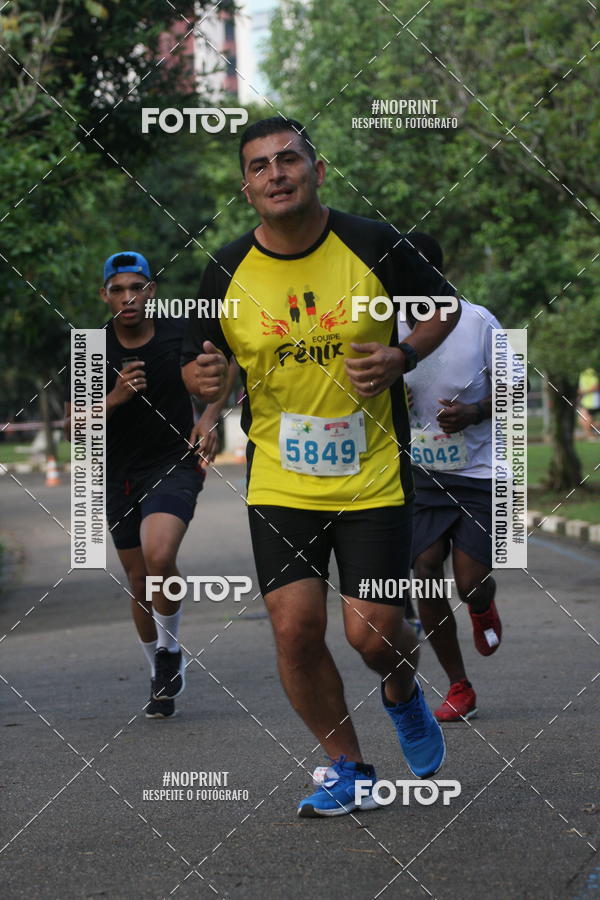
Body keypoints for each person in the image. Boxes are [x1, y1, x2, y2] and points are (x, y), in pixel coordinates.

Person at [182, 117, 460, 817]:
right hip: (280, 478)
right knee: (294, 629)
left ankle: (402, 690)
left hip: (372, 477)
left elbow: (443, 309)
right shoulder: (223, 268)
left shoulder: (372, 242)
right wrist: (207, 397)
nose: (275, 174)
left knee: (370, 635)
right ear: (246, 188)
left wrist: (403, 355)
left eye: (288, 160)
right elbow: (203, 362)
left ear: (317, 168)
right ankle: (349, 769)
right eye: (259, 167)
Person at [64, 252, 226, 718]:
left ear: (151, 291)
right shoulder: (92, 348)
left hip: (173, 462)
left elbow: (223, 367)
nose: (127, 297)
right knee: (138, 580)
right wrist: (114, 397)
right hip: (116, 474)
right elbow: (76, 421)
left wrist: (209, 419)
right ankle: (158, 671)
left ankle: (171, 648)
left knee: (159, 556)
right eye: (117, 290)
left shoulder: (180, 336)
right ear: (105, 296)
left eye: (137, 287)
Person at [399, 233, 502, 723]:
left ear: (436, 276)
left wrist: (475, 411)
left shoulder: (479, 321)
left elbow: (517, 387)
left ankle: (482, 605)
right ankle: (459, 685)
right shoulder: (390, 327)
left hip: (480, 472)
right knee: (424, 568)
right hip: (424, 473)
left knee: (470, 583)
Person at [578, 368, 600, 439]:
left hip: (593, 402)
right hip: (586, 401)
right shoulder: (581, 372)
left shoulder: (591, 371)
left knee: (584, 421)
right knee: (582, 421)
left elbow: (597, 386)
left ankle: (590, 436)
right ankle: (590, 436)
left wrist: (585, 392)